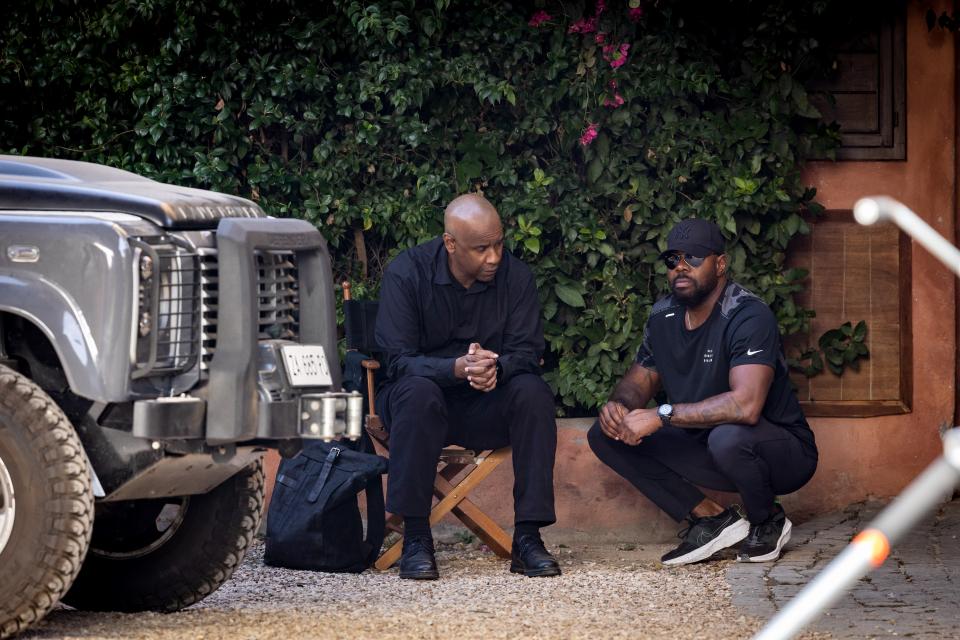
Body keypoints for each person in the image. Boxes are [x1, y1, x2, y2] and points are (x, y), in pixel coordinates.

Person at [588, 218, 818, 566]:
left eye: (693, 257)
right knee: (605, 435)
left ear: (720, 264)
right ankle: (711, 518)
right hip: (706, 444)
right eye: (672, 259)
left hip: (781, 452)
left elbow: (746, 405)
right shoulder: (663, 315)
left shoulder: (747, 315)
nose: (681, 266)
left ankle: (767, 519)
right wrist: (619, 408)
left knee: (727, 436)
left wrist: (661, 415)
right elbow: (642, 379)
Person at [374, 193, 560, 580]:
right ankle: (416, 537)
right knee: (418, 392)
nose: (493, 257)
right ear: (450, 243)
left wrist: (498, 368)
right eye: (481, 248)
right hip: (419, 407)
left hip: (484, 405)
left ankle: (528, 538)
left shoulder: (516, 276)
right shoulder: (407, 273)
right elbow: (395, 360)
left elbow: (529, 351)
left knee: (534, 394)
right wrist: (455, 368)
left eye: (498, 243)